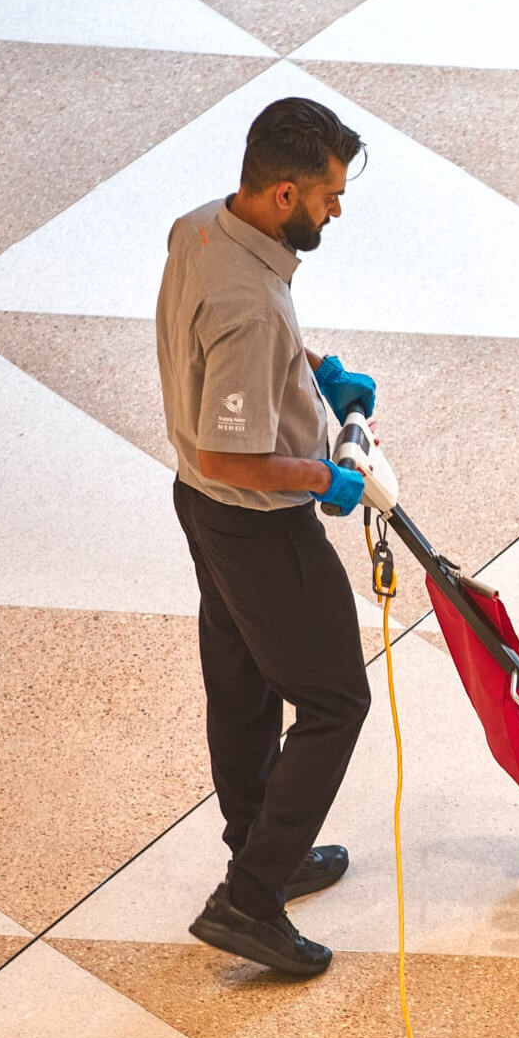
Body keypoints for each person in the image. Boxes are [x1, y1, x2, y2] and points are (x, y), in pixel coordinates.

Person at [155, 96, 378, 978]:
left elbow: (228, 361)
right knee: (334, 702)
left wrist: (311, 367)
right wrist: (326, 476)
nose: (336, 209)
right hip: (255, 524)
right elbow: (234, 452)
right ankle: (248, 903)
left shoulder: (203, 229)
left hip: (198, 506)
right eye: (327, 194)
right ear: (284, 192)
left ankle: (261, 850)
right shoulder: (251, 303)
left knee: (243, 679)